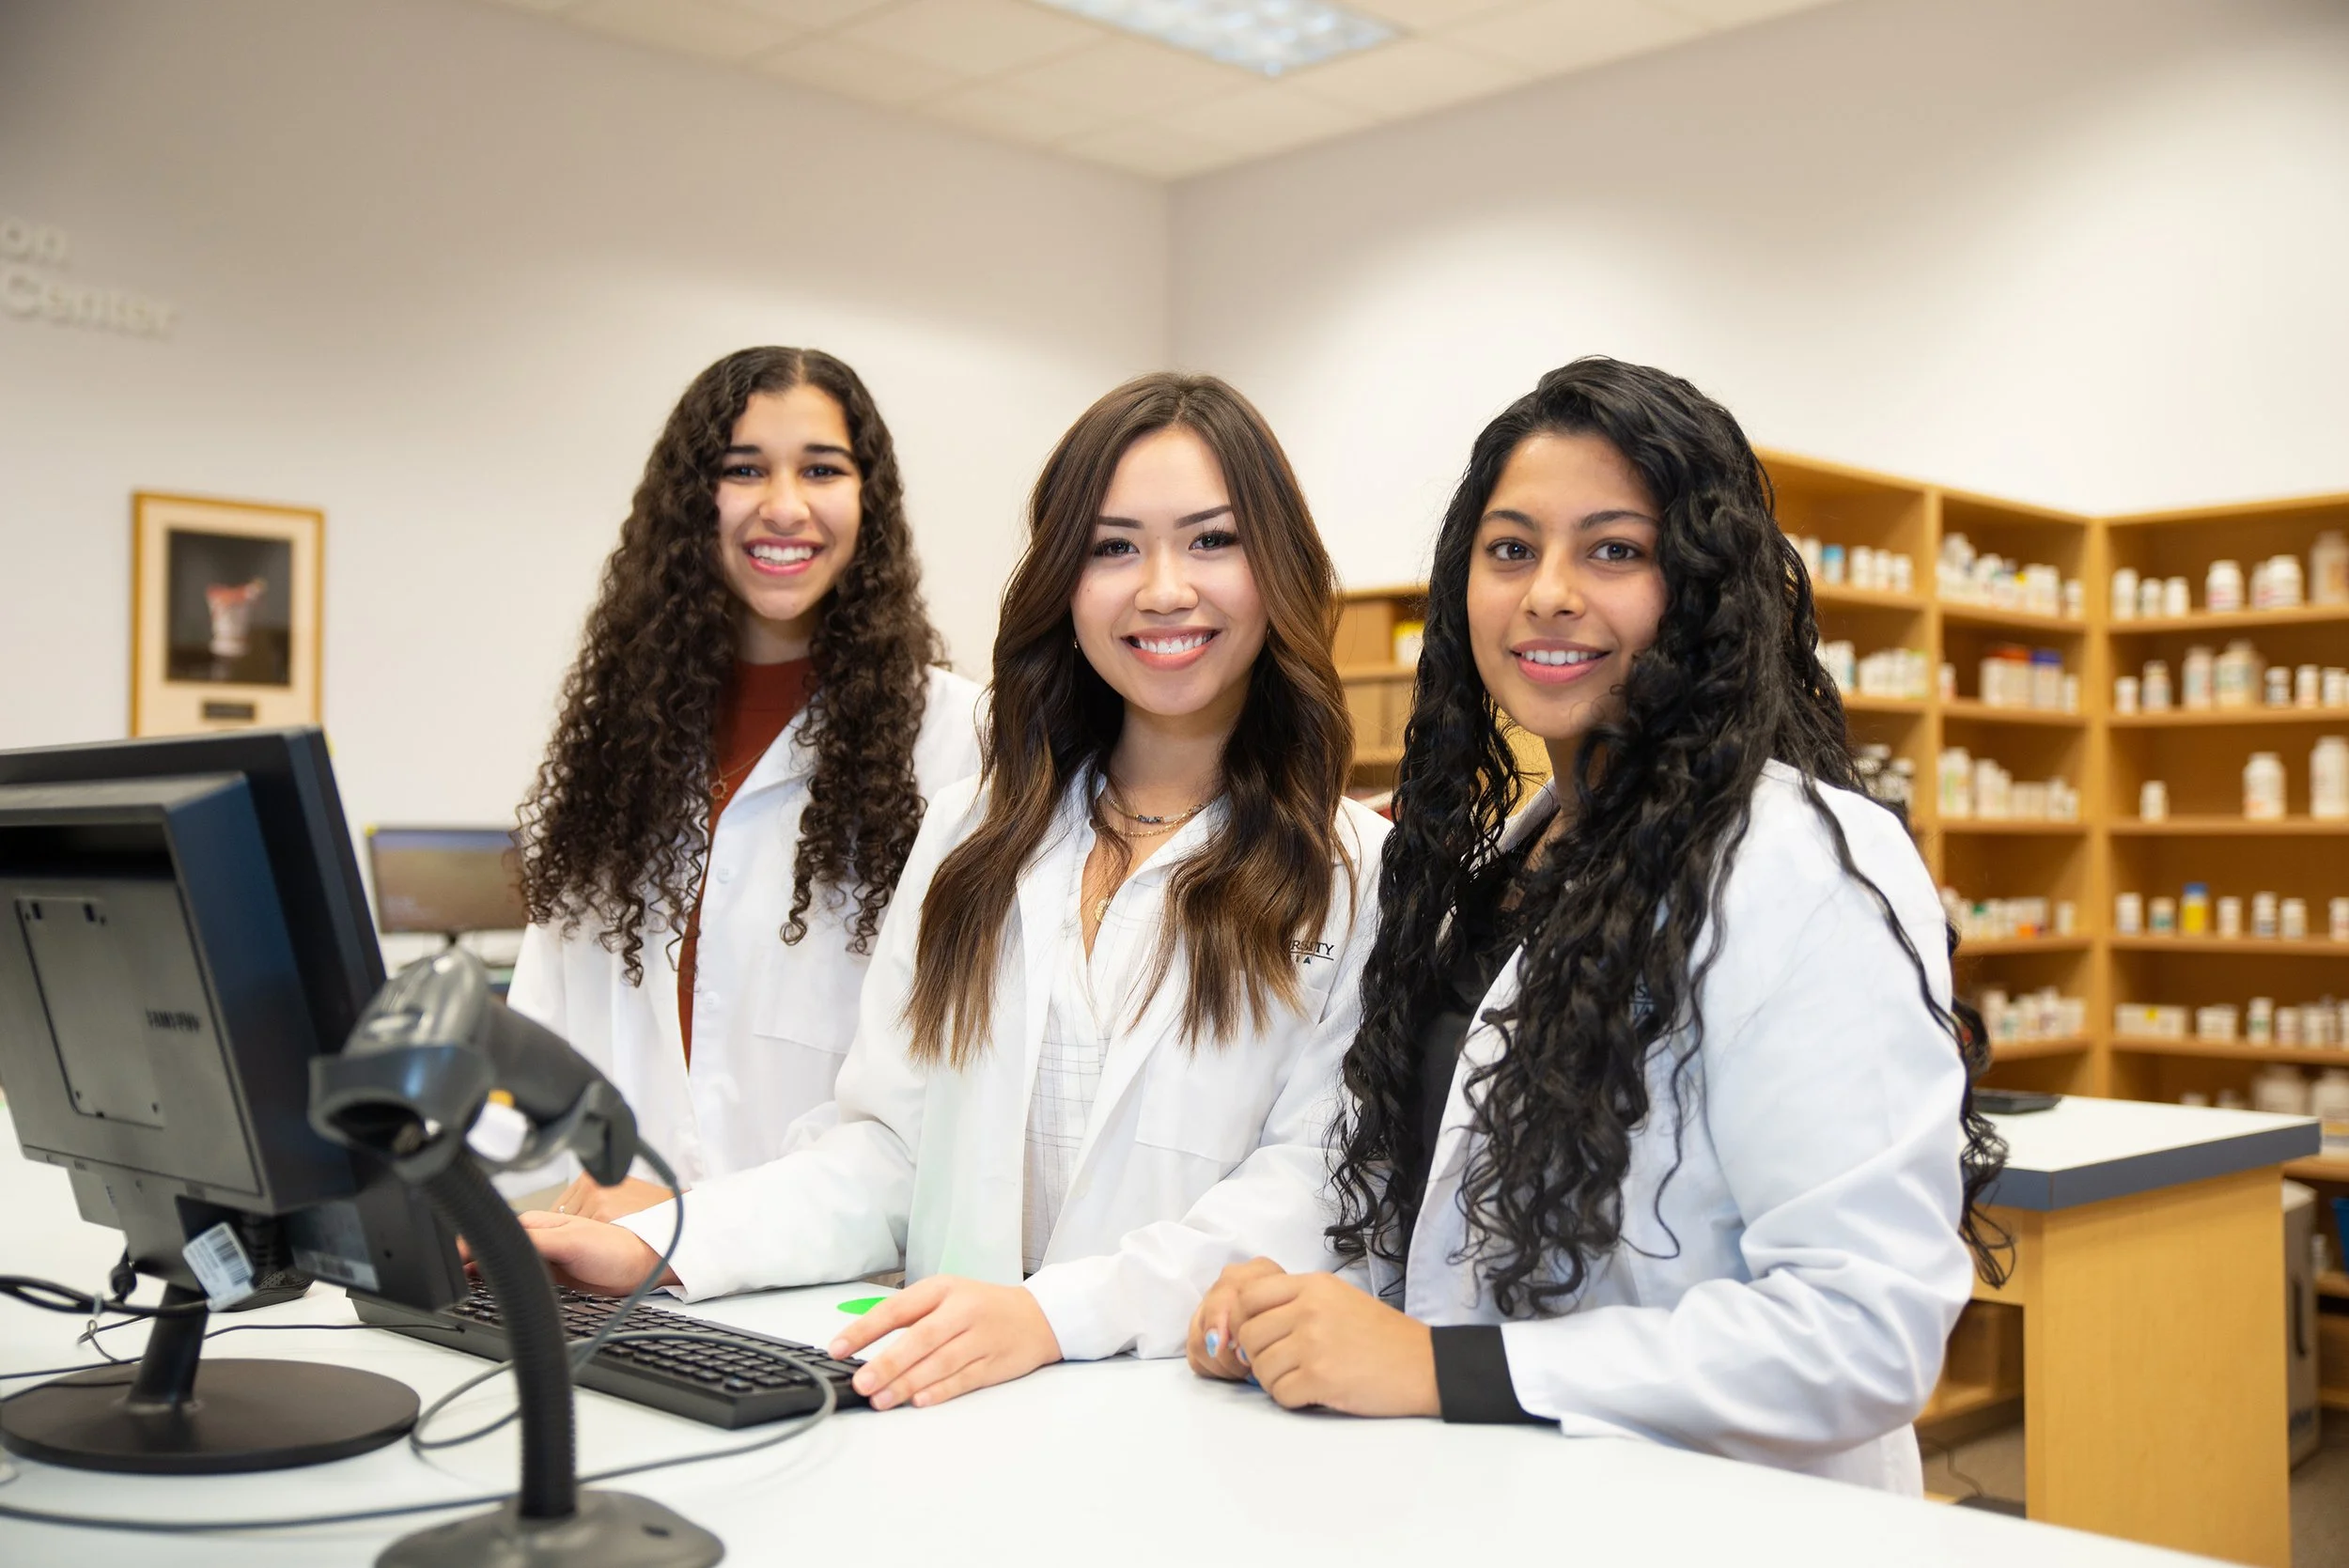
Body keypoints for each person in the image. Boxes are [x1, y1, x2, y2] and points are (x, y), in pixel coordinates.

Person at [1187, 358, 2006, 1495]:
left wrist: (1445, 1368)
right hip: (1505, 1496)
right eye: (1510, 548)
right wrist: (1286, 1294)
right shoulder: (1493, 867)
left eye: (1613, 549)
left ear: (1703, 586)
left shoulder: (1799, 864)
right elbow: (1449, 1224)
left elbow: (1860, 1334)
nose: (1547, 593)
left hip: (1722, 1515)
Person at [519, 372, 1391, 1412]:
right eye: (1112, 546)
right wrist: (662, 1244)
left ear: (1279, 568)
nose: (1162, 588)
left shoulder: (1353, 872)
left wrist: (1052, 1317)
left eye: (1211, 540)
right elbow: (886, 1152)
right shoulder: (975, 833)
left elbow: (1311, 1192)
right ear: (1064, 583)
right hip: (953, 1418)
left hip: (1187, 1422)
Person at [509, 347, 982, 1219]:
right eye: (744, 470)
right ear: (693, 500)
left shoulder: (958, 742)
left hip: (829, 1276)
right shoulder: (619, 746)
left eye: (822, 469)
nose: (785, 506)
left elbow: (938, 1087)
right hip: (613, 1267)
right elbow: (543, 1033)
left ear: (867, 499)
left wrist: (696, 1221)